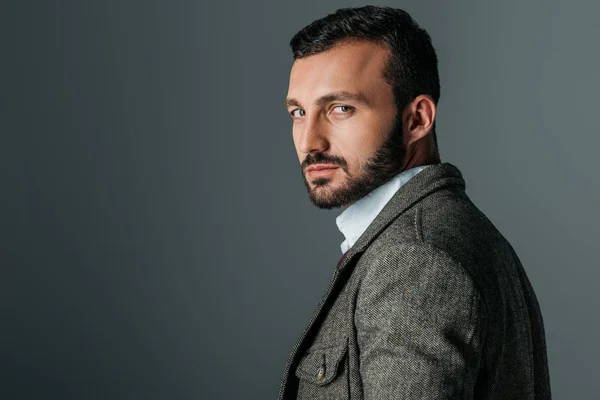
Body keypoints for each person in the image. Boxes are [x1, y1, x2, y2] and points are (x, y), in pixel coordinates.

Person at [277, 5, 552, 400]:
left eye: (340, 109)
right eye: (299, 112)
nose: (309, 142)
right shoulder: (442, 232)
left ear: (417, 119)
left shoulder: (416, 262)